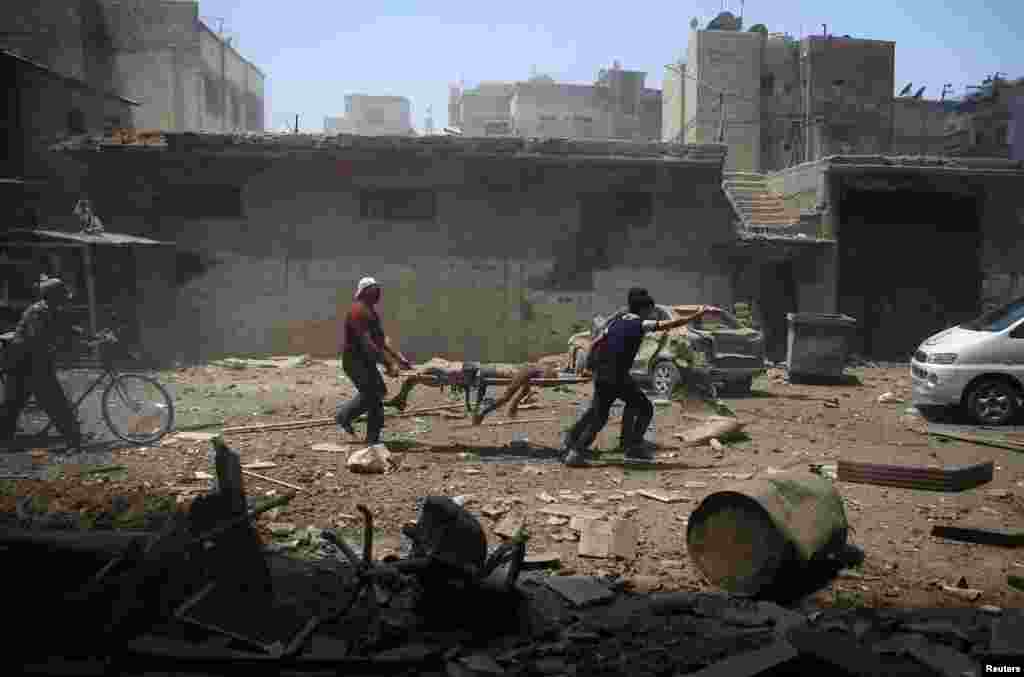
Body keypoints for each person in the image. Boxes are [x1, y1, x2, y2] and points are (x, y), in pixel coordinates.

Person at [563, 292, 710, 466]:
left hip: (602, 374)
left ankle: (575, 448)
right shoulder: (640, 323)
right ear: (643, 309)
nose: (652, 314)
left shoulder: (616, 321)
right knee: (645, 408)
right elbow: (672, 323)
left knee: (599, 415)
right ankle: (633, 447)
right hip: (617, 376)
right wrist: (696, 316)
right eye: (650, 310)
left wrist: (589, 366)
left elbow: (596, 342)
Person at [0, 278, 84, 452]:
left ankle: (6, 440)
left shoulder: (50, 309)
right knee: (53, 403)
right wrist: (62, 342)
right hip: (27, 365)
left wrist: (87, 336)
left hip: (28, 364)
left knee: (13, 405)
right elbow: (38, 339)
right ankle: (73, 441)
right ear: (52, 296)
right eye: (61, 295)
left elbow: (65, 329)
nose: (65, 299)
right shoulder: (37, 312)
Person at [335, 277, 412, 446]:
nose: (378, 294)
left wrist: (399, 358)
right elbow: (367, 343)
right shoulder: (357, 312)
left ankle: (344, 416)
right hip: (354, 362)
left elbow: (381, 340)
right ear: (364, 292)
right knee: (374, 397)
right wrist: (388, 364)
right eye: (374, 290)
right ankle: (371, 439)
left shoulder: (371, 312)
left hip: (366, 361)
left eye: (378, 290)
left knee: (377, 393)